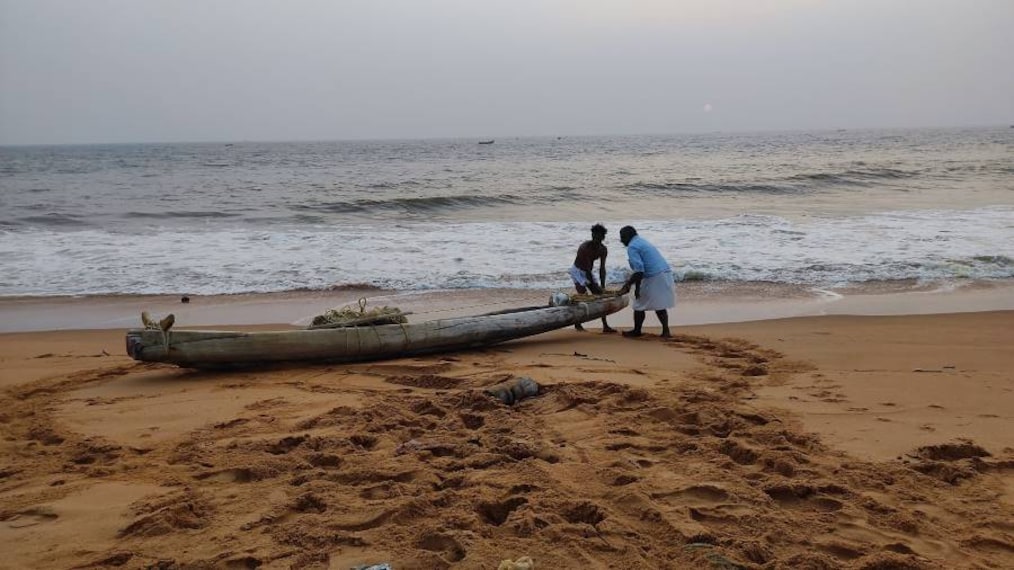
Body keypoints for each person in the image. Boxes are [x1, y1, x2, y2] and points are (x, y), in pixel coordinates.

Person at [617, 225, 675, 338]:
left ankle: (637, 331)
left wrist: (627, 284)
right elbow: (640, 271)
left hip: (654, 276)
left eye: (623, 237)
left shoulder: (632, 247)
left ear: (629, 236)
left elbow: (639, 270)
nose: (621, 240)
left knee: (638, 305)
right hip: (664, 273)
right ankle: (666, 331)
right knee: (659, 304)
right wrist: (637, 288)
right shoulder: (641, 242)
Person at [569, 223, 616, 333]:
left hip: (588, 271)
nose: (595, 239)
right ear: (592, 235)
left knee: (600, 296)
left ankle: (605, 326)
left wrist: (603, 286)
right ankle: (577, 323)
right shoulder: (584, 247)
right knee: (583, 296)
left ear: (603, 237)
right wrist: (595, 286)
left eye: (598, 237)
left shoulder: (603, 250)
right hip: (578, 271)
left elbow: (602, 269)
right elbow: (586, 270)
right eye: (594, 236)